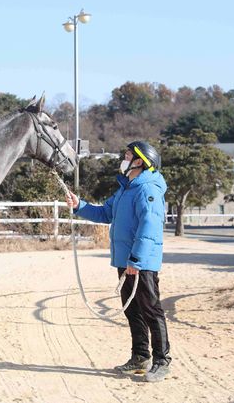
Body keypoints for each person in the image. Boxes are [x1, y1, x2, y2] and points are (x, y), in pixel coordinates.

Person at [65, 141, 172, 383]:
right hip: (126, 261)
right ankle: (140, 356)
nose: (123, 159)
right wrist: (79, 205)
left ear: (140, 161)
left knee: (151, 310)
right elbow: (105, 213)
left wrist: (137, 259)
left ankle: (161, 360)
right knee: (133, 311)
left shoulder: (148, 190)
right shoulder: (126, 189)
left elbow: (149, 227)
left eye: (127, 156)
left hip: (140, 262)